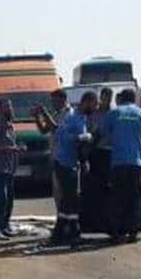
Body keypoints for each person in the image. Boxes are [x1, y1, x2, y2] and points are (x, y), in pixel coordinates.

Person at [33, 91, 98, 244]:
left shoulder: (80, 117)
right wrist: (83, 137)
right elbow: (63, 136)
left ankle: (63, 233)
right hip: (64, 162)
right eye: (94, 104)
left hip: (70, 162)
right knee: (71, 199)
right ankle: (70, 233)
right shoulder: (72, 117)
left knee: (69, 200)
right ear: (86, 102)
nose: (95, 108)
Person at [101, 89, 141, 242]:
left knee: (117, 198)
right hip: (136, 163)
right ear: (134, 99)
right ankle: (133, 232)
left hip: (118, 162)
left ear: (121, 99)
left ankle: (117, 232)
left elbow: (100, 133)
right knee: (135, 198)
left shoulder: (113, 113)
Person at [0, 99, 22, 240]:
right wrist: (12, 149)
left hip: (9, 168)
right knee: (1, 199)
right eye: (6, 106)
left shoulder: (9, 125)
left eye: (10, 106)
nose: (10, 109)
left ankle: (4, 226)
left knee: (9, 200)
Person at [83, 87, 114, 232]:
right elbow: (88, 131)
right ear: (101, 98)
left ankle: (107, 221)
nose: (107, 100)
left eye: (109, 97)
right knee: (95, 188)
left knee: (108, 189)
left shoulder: (113, 113)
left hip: (110, 152)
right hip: (96, 152)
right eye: (105, 97)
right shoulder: (94, 114)